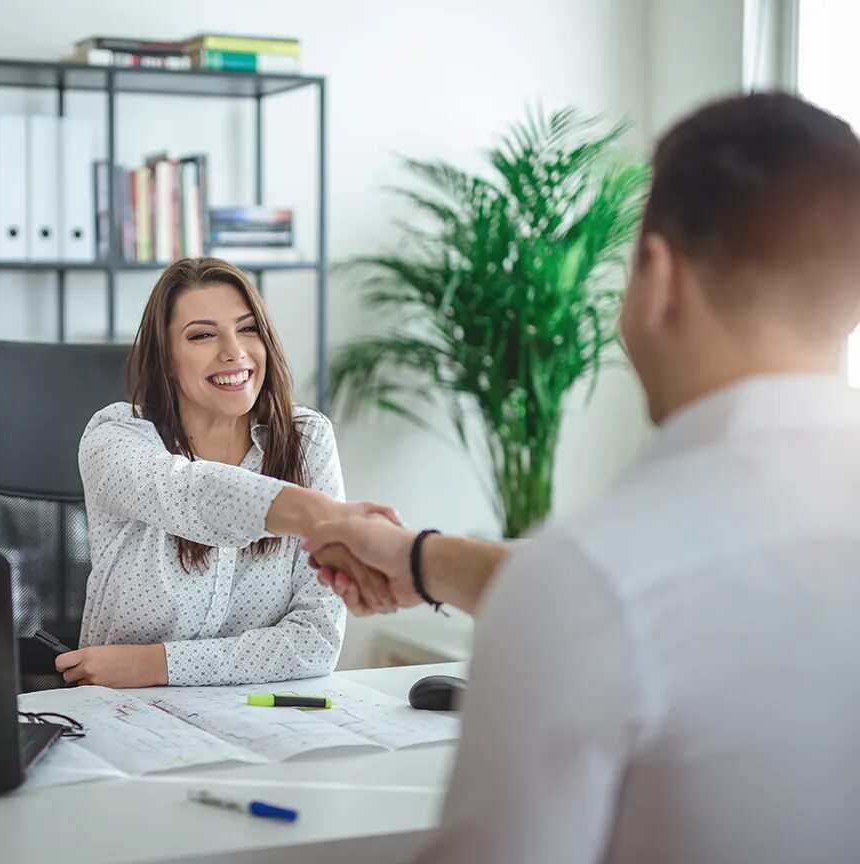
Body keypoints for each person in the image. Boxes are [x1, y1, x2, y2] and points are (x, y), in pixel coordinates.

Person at [305, 92, 860, 863]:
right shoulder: (610, 579)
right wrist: (420, 558)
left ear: (659, 278)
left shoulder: (596, 577)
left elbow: (605, 599)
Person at [57, 258, 397, 689]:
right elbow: (190, 494)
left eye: (248, 328)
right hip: (122, 715)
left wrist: (154, 665)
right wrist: (314, 512)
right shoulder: (115, 438)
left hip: (258, 719)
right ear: (166, 358)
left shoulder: (306, 439)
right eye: (202, 335)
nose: (234, 351)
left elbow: (315, 640)